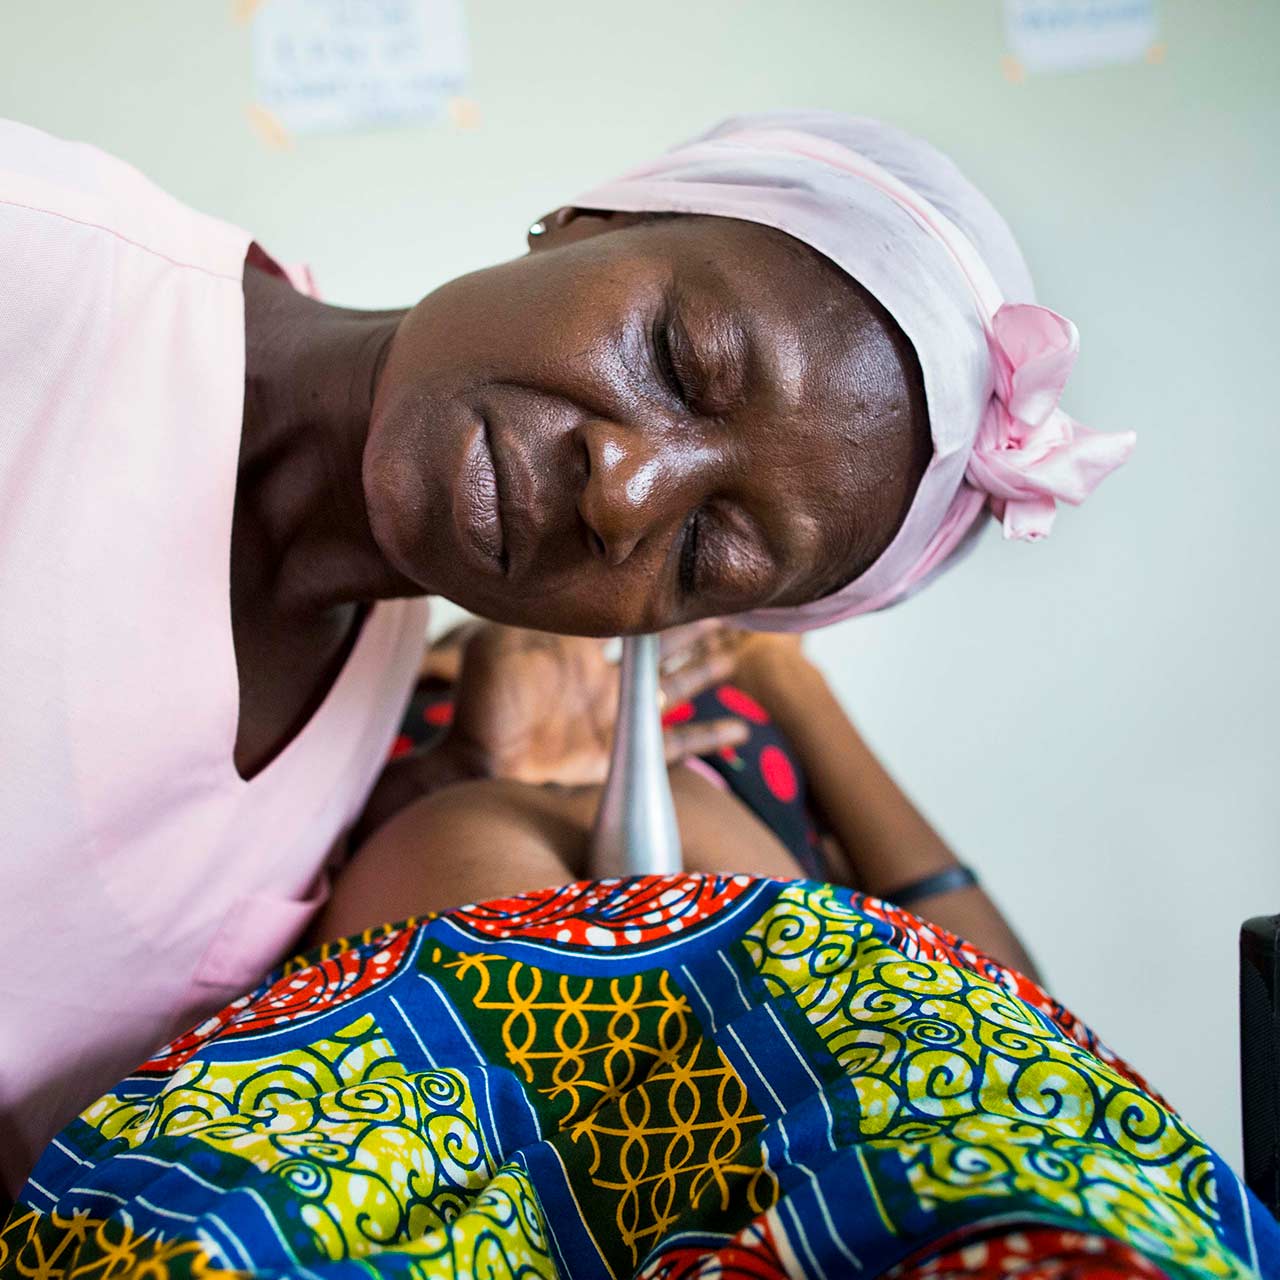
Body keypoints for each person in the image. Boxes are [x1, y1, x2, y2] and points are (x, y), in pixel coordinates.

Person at [0, 109, 1136, 1195]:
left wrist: (443, 779)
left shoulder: (365, 725)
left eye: (706, 550)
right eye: (679, 359)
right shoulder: (40, 267)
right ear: (589, 221)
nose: (628, 490)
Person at [2, 624, 1275, 1279]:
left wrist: (792, 683)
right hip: (454, 951)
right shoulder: (418, 677)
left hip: (793, 974)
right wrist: (473, 743)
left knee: (953, 1123)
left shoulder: (755, 695)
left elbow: (1011, 1000)